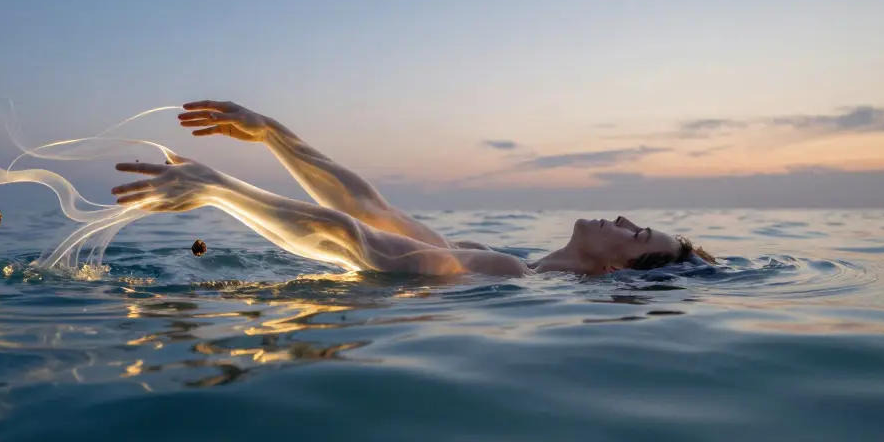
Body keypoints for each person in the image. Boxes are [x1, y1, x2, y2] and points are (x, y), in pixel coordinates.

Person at [111, 100, 717, 277]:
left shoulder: (506, 273)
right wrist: (272, 133)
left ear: (613, 272)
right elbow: (369, 209)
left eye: (636, 234)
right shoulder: (500, 261)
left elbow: (354, 240)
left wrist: (217, 188)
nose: (622, 220)